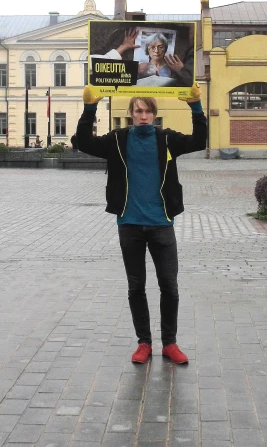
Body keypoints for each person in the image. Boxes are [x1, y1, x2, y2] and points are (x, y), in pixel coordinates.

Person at [76, 83, 206, 364]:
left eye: (148, 111)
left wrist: (195, 106)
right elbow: (83, 143)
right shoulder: (118, 140)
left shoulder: (167, 139)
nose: (143, 116)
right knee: (136, 286)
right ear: (131, 113)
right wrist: (89, 108)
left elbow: (199, 141)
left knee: (169, 286)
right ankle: (144, 343)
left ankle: (169, 343)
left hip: (162, 223)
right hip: (130, 224)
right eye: (138, 111)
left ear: (154, 114)